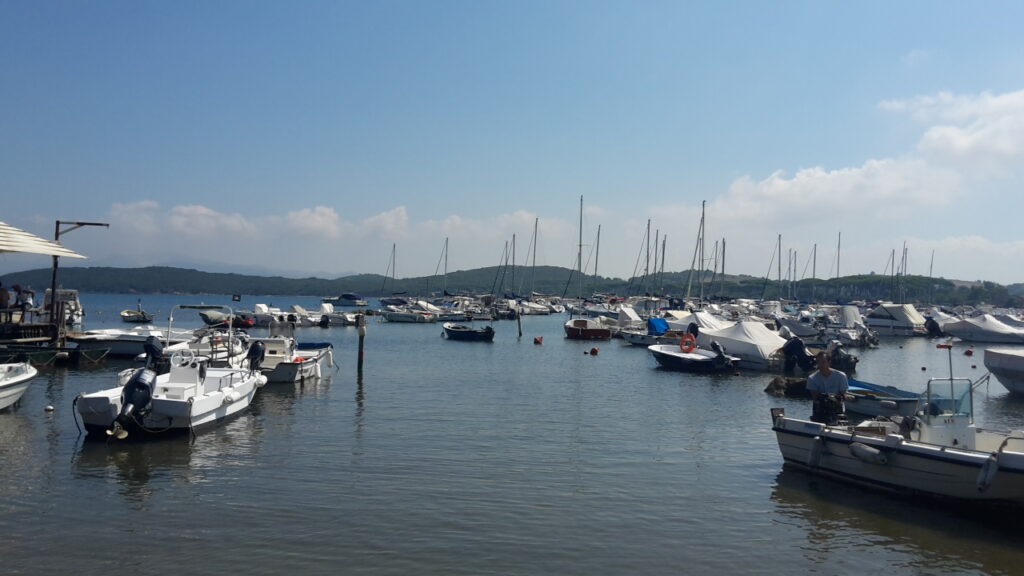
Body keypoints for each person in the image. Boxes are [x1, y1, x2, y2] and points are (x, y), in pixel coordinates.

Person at [807, 350, 849, 424]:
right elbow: (815, 397)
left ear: (829, 362)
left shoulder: (841, 376)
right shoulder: (812, 378)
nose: (821, 364)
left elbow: (843, 395)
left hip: (837, 410)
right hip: (820, 411)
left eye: (823, 362)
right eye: (818, 362)